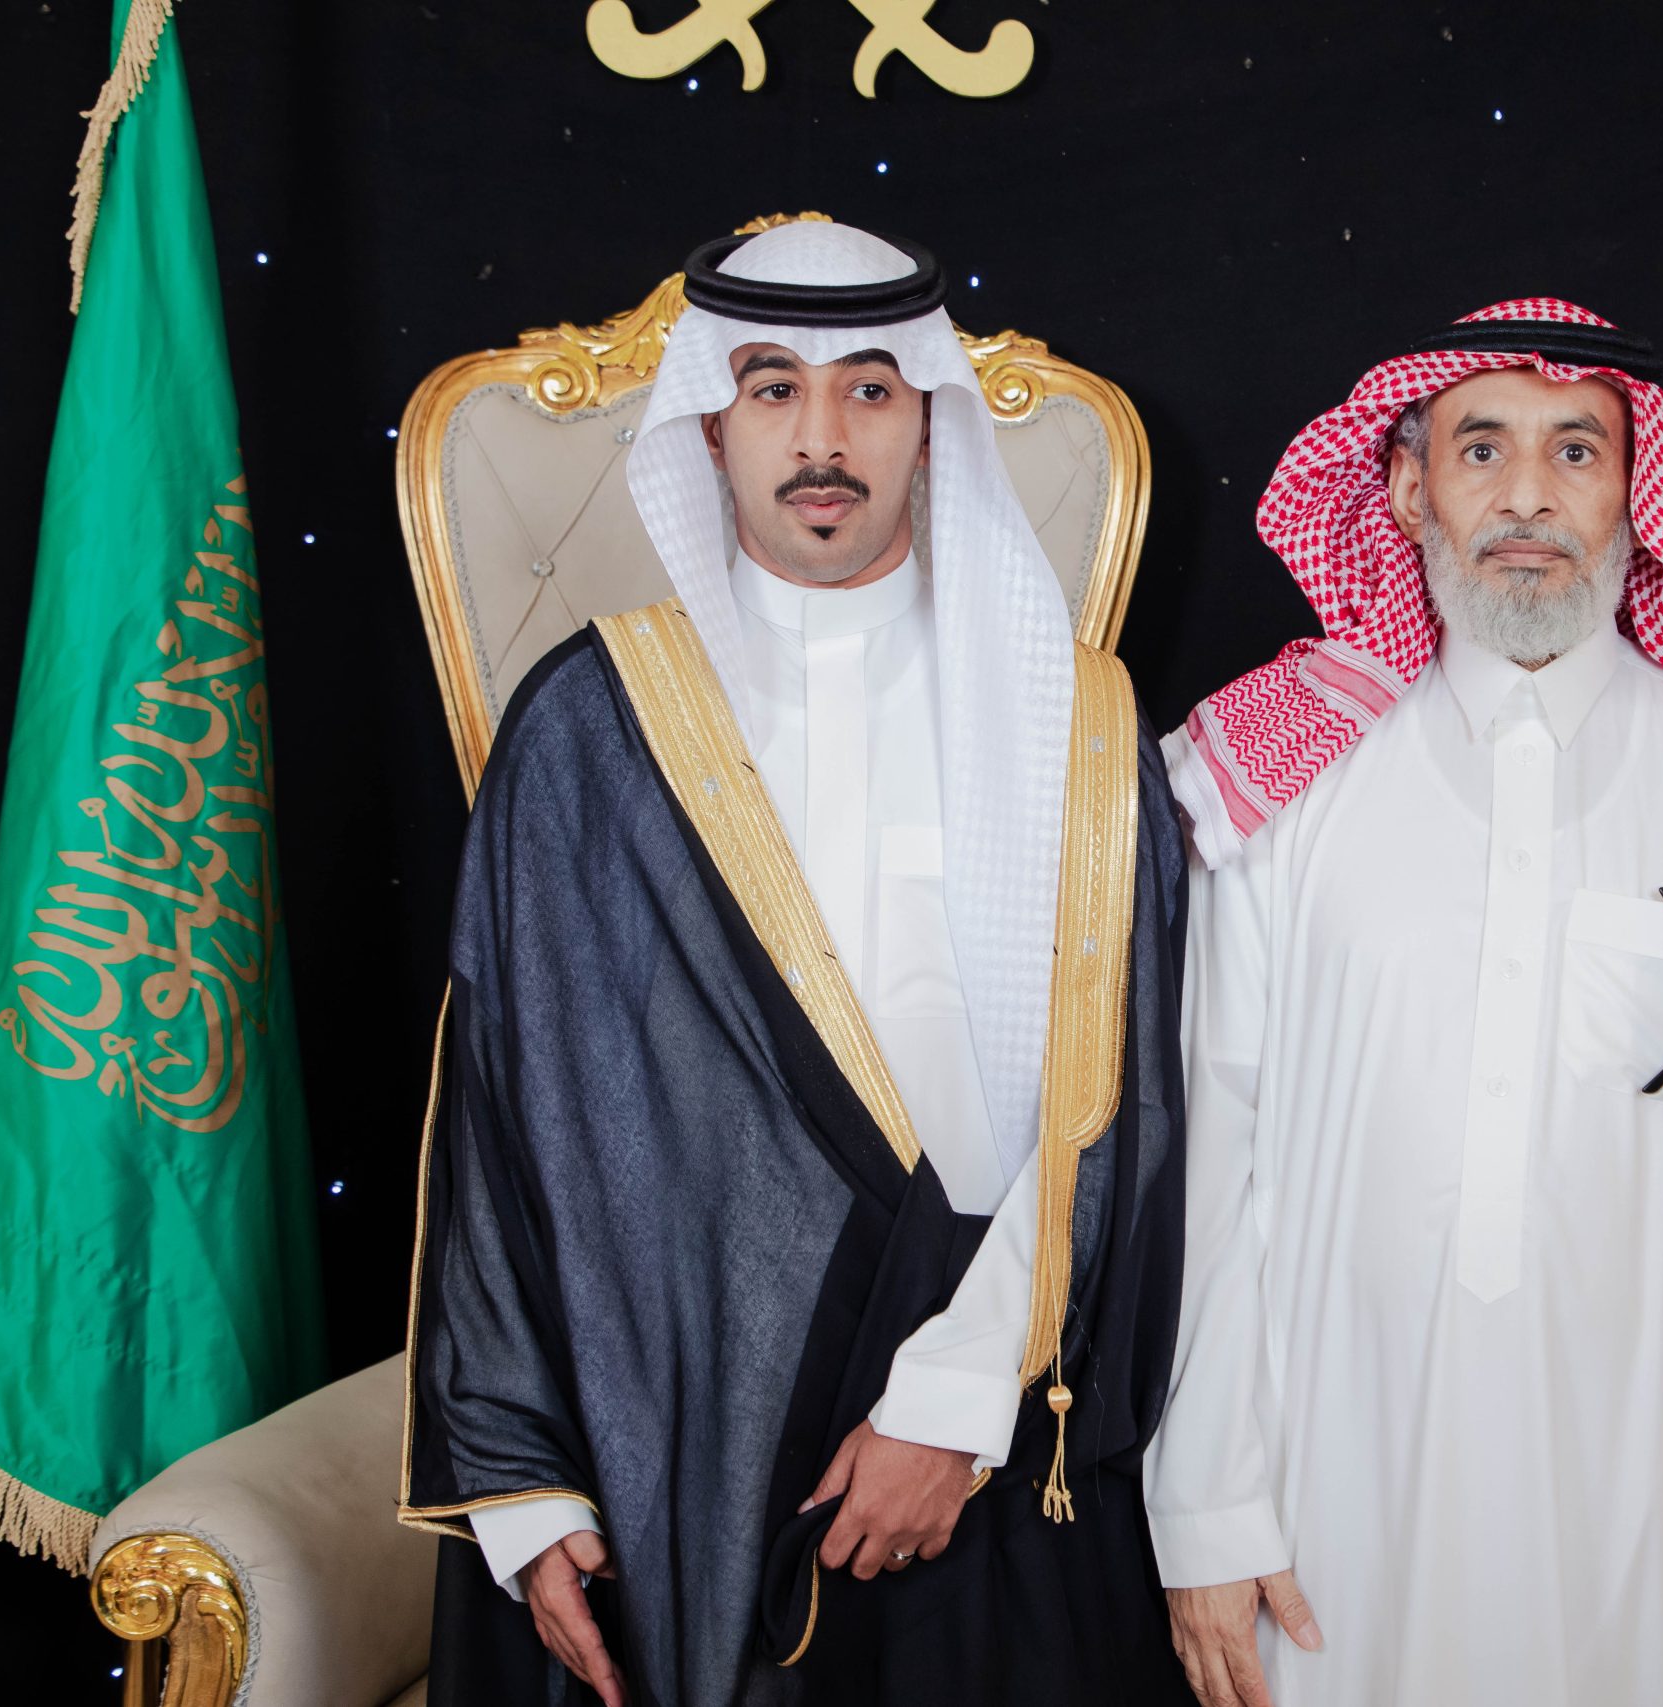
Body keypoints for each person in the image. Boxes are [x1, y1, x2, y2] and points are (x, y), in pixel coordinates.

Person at [399, 218, 1193, 1707]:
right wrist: (521, 1481)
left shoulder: (1075, 725)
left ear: (929, 422)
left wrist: (956, 1404)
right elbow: (503, 1111)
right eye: (773, 388)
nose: (822, 438)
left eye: (870, 390)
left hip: (985, 1402)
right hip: (666, 1420)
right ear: (711, 423)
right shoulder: (588, 726)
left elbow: (1129, 1101)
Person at [1144, 300, 1663, 1707]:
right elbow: (1213, 1155)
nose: (1528, 498)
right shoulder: (1284, 772)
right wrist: (1207, 1505)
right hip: (1331, 1503)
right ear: (1407, 490)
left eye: (1576, 451)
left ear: (1636, 495)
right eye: (1482, 447)